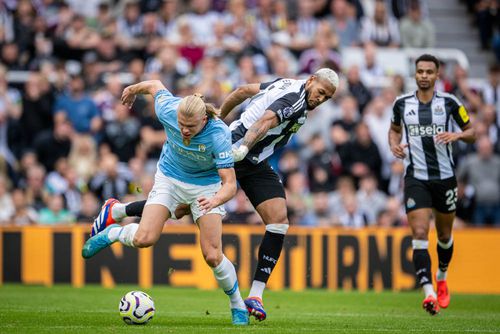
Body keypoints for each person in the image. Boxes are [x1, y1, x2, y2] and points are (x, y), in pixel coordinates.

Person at [91, 68, 339, 322]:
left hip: (255, 161)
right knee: (179, 208)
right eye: (320, 92)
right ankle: (118, 211)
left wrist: (221, 112)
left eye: (327, 98)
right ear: (311, 81)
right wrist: (242, 146)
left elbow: (243, 91)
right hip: (234, 151)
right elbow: (264, 121)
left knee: (278, 221)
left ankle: (255, 295)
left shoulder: (286, 84)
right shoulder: (295, 100)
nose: (321, 99)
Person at [82, 80, 249, 326]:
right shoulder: (169, 109)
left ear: (204, 120)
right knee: (144, 239)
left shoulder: (218, 134)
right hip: (169, 177)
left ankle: (238, 305)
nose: (184, 131)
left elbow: (230, 184)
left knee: (212, 255)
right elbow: (155, 85)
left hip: (206, 186)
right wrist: (131, 90)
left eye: (190, 127)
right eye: (181, 125)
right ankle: (114, 232)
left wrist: (214, 200)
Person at [388, 54, 476, 316]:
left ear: (438, 75)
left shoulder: (450, 103)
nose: (424, 75)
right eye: (420, 71)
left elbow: (472, 132)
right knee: (418, 232)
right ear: (414, 74)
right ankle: (428, 293)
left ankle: (441, 276)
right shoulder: (401, 103)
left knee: (445, 236)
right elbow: (394, 129)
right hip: (415, 177)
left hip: (445, 178)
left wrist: (458, 134)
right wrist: (394, 144)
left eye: (429, 72)